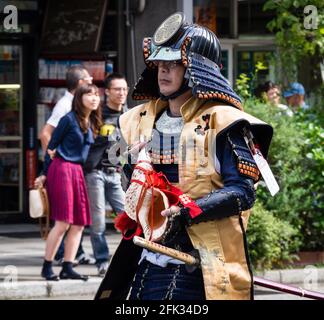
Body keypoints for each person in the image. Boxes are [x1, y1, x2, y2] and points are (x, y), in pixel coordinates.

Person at [95, 12, 273, 300]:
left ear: (196, 69)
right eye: (160, 63)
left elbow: (243, 192)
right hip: (146, 258)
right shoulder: (137, 120)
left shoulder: (225, 122)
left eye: (174, 64)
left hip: (200, 265)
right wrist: (131, 167)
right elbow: (127, 183)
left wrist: (187, 212)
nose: (163, 71)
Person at [34, 84, 102, 281]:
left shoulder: (91, 122)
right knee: (63, 222)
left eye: (97, 94)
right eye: (89, 94)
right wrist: (45, 173)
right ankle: (47, 266)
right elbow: (51, 147)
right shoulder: (68, 119)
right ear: (79, 98)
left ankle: (68, 266)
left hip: (78, 172)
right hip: (62, 168)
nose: (94, 97)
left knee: (79, 223)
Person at [83, 73, 128, 276]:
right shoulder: (97, 114)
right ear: (107, 91)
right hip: (95, 173)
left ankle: (128, 258)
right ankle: (102, 261)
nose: (121, 93)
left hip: (116, 173)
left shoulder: (129, 116)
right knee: (98, 220)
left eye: (124, 89)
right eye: (117, 89)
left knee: (128, 217)